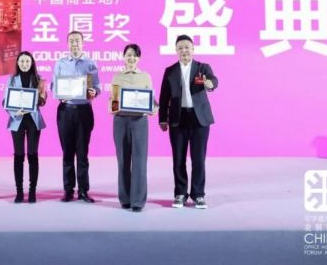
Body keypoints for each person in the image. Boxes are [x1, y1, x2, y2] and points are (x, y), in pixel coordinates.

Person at [158, 35, 218, 209]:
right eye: (180, 48)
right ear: (176, 51)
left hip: (199, 120)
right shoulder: (170, 71)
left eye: (187, 47)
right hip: (178, 119)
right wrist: (162, 119)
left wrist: (209, 84)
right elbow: (164, 97)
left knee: (198, 159)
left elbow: (214, 80)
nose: (184, 50)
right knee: (178, 159)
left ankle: (198, 195)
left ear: (193, 49)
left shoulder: (202, 67)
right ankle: (180, 194)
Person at [53, 31, 101, 203]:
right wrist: (59, 93)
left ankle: (83, 191)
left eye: (77, 41)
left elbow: (97, 86)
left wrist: (94, 91)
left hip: (84, 111)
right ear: (67, 44)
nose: (74, 44)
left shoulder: (90, 63)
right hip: (65, 111)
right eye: (71, 41)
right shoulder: (60, 63)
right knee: (67, 153)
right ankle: (68, 190)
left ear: (83, 43)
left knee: (82, 153)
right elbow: (53, 85)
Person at [109, 43, 156, 212]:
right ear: (123, 57)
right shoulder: (117, 77)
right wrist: (112, 106)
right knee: (123, 160)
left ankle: (138, 201)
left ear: (139, 58)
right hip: (120, 121)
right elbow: (113, 99)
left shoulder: (145, 77)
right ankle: (125, 198)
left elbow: (152, 100)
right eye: (128, 55)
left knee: (139, 161)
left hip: (139, 122)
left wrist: (153, 109)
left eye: (134, 55)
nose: (131, 58)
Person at [5, 51, 47, 203]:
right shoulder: (11, 79)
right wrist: (15, 112)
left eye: (27, 61)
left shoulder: (39, 79)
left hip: (33, 121)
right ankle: (19, 192)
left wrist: (42, 96)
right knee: (18, 156)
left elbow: (43, 101)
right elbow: (5, 101)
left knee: (32, 155)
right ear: (17, 63)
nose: (24, 64)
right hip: (17, 120)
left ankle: (32, 191)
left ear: (32, 63)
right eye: (22, 61)